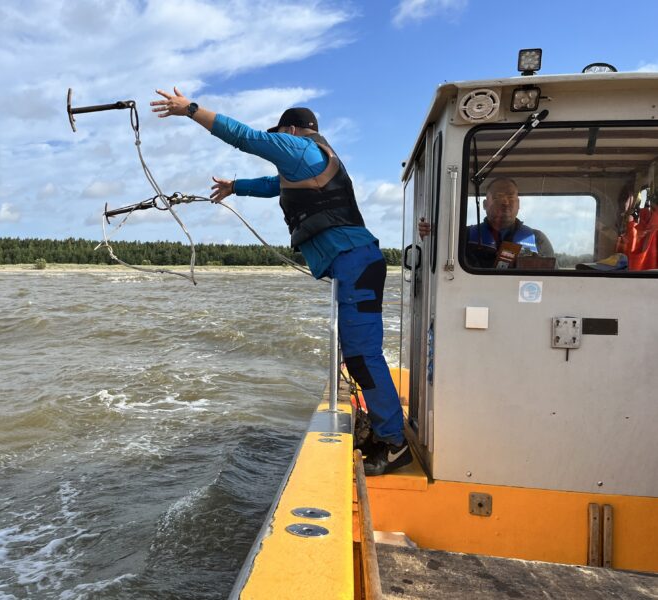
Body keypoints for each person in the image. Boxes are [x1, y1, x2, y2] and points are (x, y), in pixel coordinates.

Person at [151, 87, 411, 476]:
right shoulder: (307, 163)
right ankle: (383, 428)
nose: (277, 138)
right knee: (356, 354)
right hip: (354, 264)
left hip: (355, 263)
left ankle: (394, 444)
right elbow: (272, 186)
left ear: (292, 129)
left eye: (281, 132)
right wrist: (236, 187)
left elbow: (246, 138)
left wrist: (190, 110)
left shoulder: (301, 148)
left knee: (361, 355)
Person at [418, 177, 554, 266]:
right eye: (498, 197)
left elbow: (552, 281)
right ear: (484, 204)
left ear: (518, 204)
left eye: (511, 197)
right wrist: (426, 235)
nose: (505, 202)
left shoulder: (538, 239)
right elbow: (432, 259)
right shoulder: (461, 236)